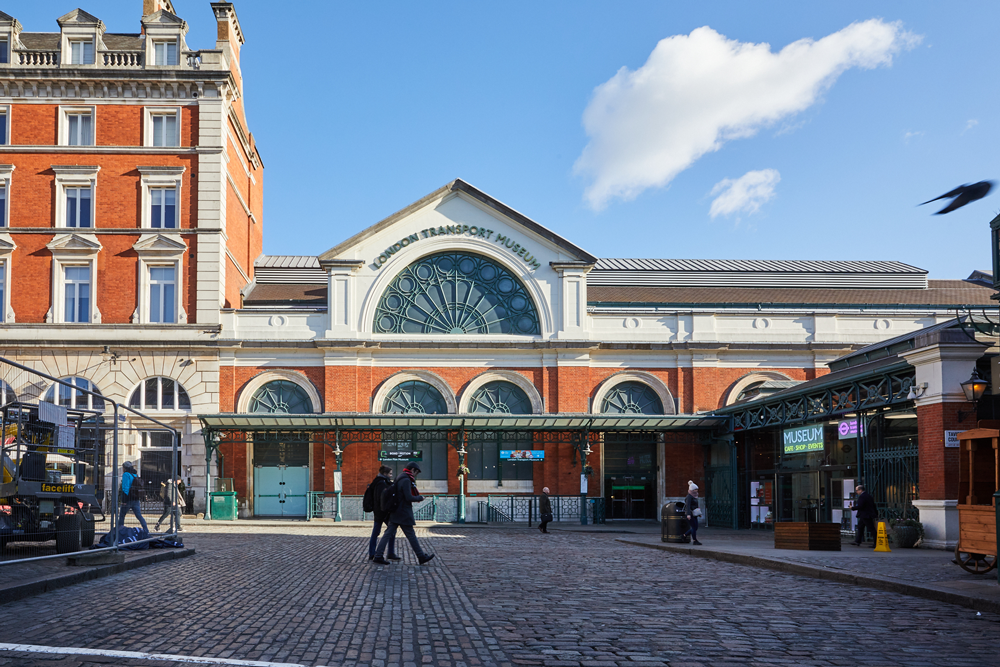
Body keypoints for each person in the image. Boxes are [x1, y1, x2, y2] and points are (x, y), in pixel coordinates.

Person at [372, 462, 435, 565]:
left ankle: (378, 555)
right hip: (403, 512)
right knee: (411, 535)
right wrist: (420, 498)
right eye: (416, 472)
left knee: (387, 534)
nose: (416, 475)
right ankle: (421, 556)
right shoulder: (406, 480)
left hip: (396, 511)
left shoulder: (400, 477)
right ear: (412, 470)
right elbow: (408, 497)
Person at [367, 466, 400, 562]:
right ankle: (389, 552)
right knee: (390, 531)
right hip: (382, 512)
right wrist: (386, 510)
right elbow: (381, 498)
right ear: (385, 474)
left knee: (377, 532)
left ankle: (372, 553)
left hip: (379, 511)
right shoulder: (381, 483)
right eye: (390, 473)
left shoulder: (377, 481)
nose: (391, 475)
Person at [118, 461, 148, 533]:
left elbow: (125, 488)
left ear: (125, 468)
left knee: (122, 515)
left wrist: (124, 500)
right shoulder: (135, 474)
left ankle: (119, 530)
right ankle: (146, 530)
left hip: (128, 499)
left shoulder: (126, 474)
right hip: (136, 498)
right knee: (139, 516)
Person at [682, 480, 702, 545]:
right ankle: (694, 540)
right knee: (693, 527)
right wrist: (688, 514)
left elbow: (696, 505)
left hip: (694, 513)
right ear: (692, 490)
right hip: (690, 514)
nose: (697, 491)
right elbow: (687, 506)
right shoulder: (689, 497)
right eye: (695, 489)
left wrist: (699, 513)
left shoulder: (694, 496)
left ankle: (684, 535)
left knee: (695, 527)